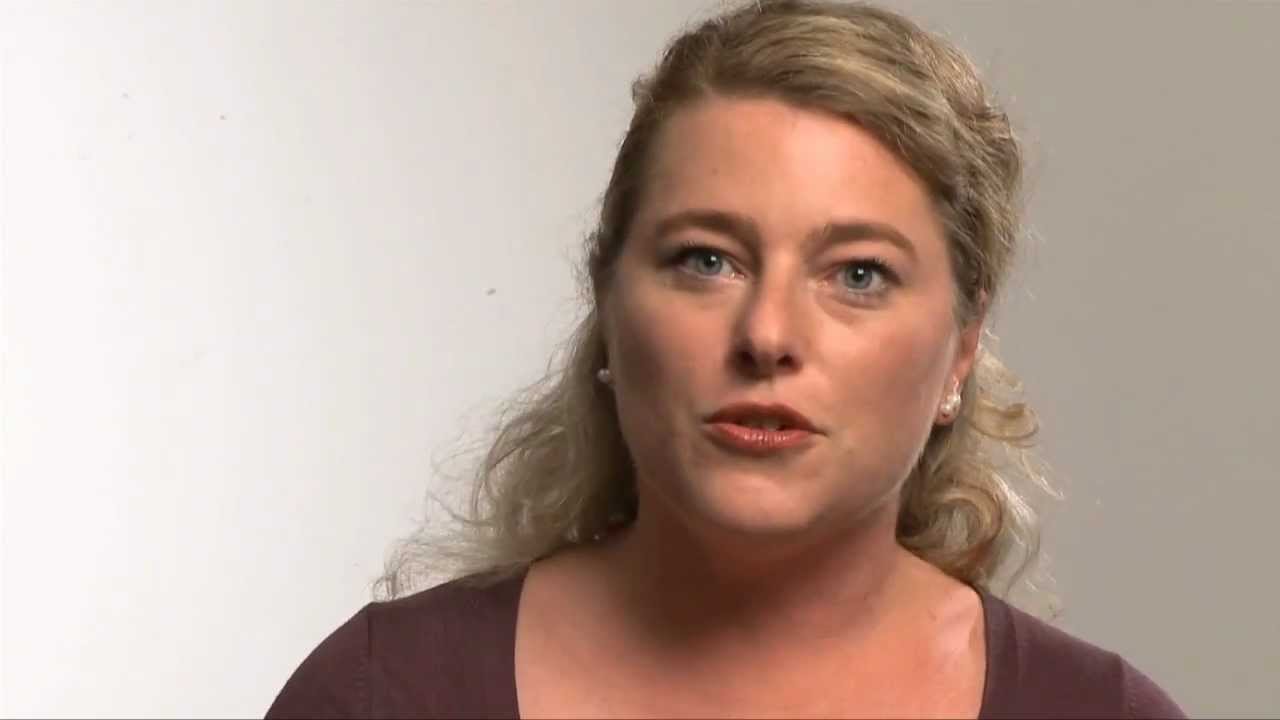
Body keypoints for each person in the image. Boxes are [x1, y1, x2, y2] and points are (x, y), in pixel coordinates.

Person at [267, 1, 1185, 717]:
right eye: (707, 259)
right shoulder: (383, 697)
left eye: (858, 274)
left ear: (962, 351)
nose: (768, 335)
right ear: (609, 305)